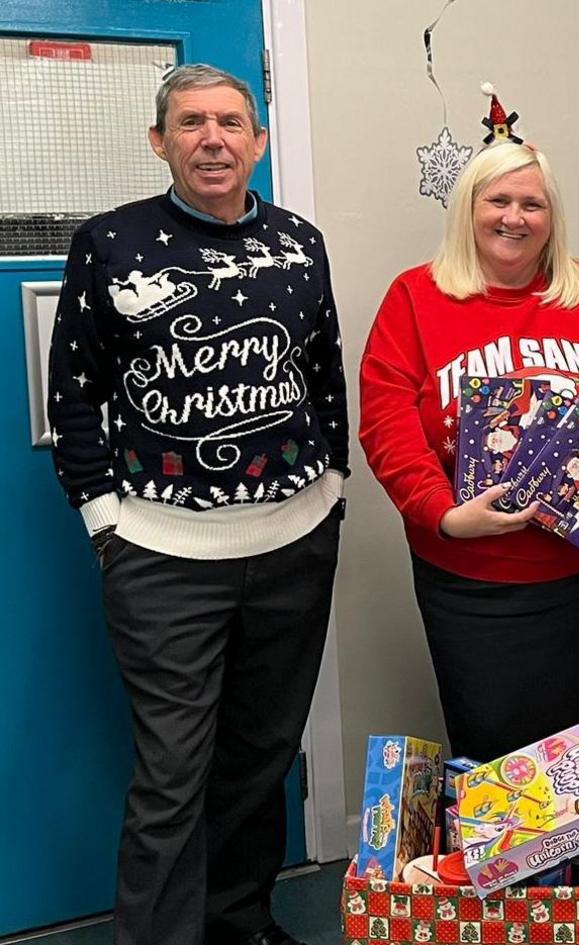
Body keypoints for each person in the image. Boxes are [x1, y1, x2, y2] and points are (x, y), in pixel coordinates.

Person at [47, 64, 347, 945]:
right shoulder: (110, 244)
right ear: (160, 141)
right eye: (190, 124)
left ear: (257, 141)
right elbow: (74, 394)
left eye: (230, 121)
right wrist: (105, 520)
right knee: (173, 772)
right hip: (161, 554)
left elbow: (323, 373)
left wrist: (330, 491)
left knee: (260, 759)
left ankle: (239, 922)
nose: (212, 138)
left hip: (294, 541)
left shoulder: (300, 241)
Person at [359, 142, 579, 763]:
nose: (515, 217)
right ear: (469, 209)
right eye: (499, 200)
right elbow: (386, 422)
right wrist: (443, 515)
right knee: (500, 769)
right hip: (474, 587)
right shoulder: (415, 298)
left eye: (532, 204)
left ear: (551, 217)